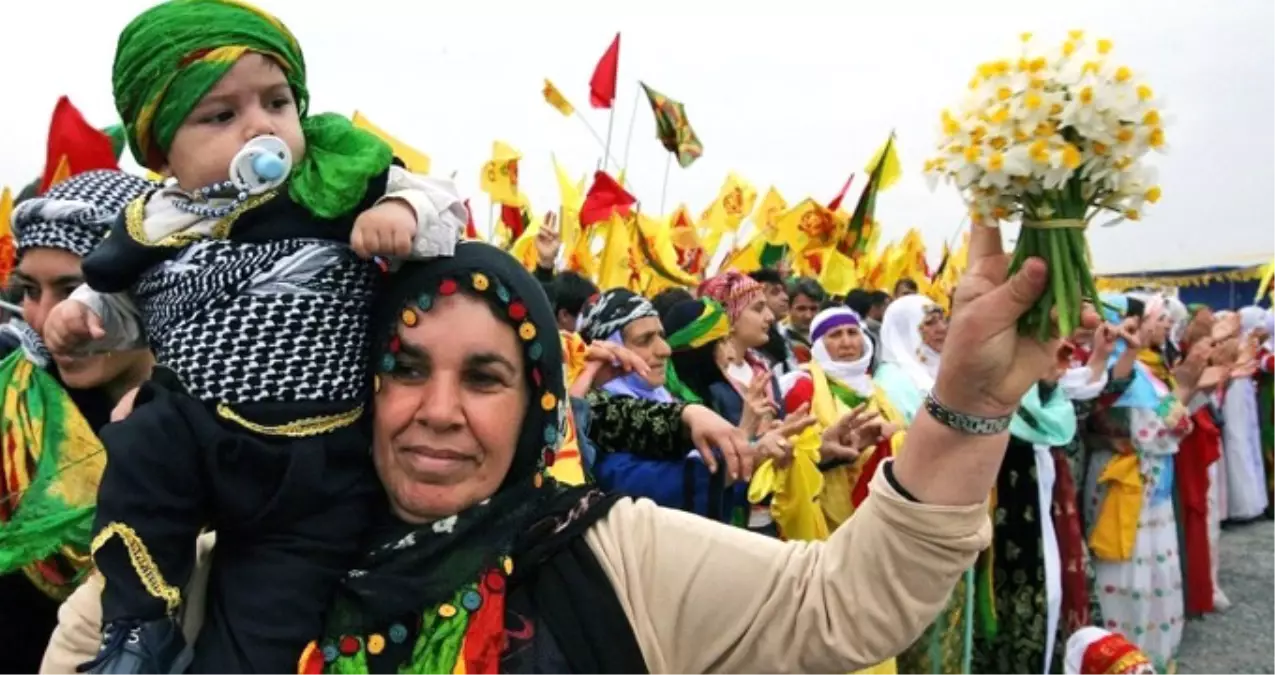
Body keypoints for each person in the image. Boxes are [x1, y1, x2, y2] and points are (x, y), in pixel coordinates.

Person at [47, 219, 1087, 673]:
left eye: (486, 376)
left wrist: (965, 407)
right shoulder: (206, 571)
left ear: (542, 402)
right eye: (405, 369)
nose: (438, 410)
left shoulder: (609, 557)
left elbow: (849, 603)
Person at [42, 2, 467, 672]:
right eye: (221, 115)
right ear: (162, 151)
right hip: (200, 443)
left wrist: (400, 210)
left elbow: (446, 206)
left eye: (276, 102)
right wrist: (83, 319)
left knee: (268, 628)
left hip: (318, 464)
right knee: (144, 446)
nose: (259, 127)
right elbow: (119, 304)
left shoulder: (335, 181)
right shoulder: (156, 220)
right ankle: (137, 629)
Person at [0, 170, 157, 675]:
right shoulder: (11, 401)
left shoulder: (213, 432)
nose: (46, 320)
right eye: (29, 289)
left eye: (73, 288)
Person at [783, 276, 824, 363]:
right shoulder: (782, 343)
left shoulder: (831, 338)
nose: (808, 316)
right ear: (788, 308)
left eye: (813, 309)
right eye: (801, 309)